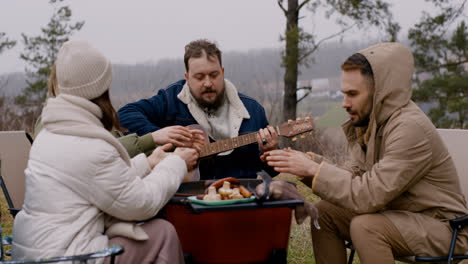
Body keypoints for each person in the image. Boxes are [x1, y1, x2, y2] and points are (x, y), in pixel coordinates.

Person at [262, 42, 468, 263]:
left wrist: (314, 169)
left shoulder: (409, 128)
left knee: (366, 227)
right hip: (399, 213)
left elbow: (368, 196)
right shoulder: (373, 124)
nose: (344, 103)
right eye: (344, 94)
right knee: (324, 212)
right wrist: (310, 164)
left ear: (379, 93)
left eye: (353, 94)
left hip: (444, 227)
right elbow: (353, 175)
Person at [12, 40, 199, 264]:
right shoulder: (88, 144)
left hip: (37, 252)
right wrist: (176, 163)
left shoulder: (52, 133)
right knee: (162, 233)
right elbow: (142, 203)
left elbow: (99, 179)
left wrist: (149, 163)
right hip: (70, 256)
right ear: (101, 88)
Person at [118, 39, 279, 179]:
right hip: (185, 201)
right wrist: (162, 136)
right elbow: (125, 116)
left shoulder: (252, 111)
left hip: (239, 199)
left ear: (222, 73)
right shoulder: (171, 100)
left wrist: (270, 152)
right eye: (199, 77)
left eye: (214, 75)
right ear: (187, 78)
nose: (208, 83)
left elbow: (272, 172)